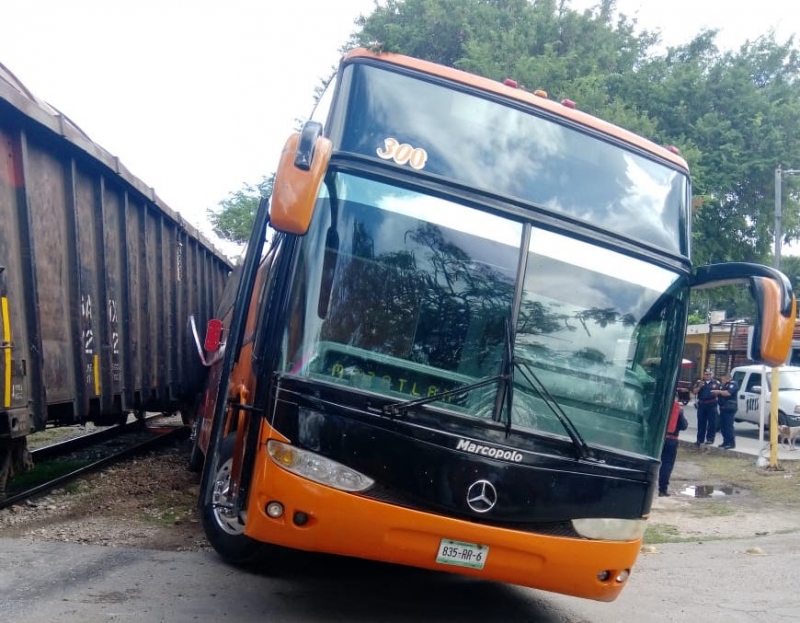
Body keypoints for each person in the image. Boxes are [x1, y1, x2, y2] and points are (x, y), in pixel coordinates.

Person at [659, 399, 688, 496]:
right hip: (671, 440)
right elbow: (684, 426)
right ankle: (662, 490)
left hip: (658, 439)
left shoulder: (660, 406)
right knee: (667, 465)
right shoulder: (677, 409)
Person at [692, 368, 720, 446]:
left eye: (709, 374)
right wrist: (699, 387)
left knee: (712, 423)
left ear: (712, 375)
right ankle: (699, 439)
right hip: (701, 404)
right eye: (706, 374)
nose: (708, 376)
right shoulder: (699, 382)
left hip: (711, 404)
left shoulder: (716, 383)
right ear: (703, 375)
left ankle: (710, 439)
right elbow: (694, 392)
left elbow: (719, 393)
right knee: (701, 422)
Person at [713, 371, 738, 449]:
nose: (722, 381)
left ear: (727, 378)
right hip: (723, 407)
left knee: (728, 425)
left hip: (729, 408)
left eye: (723, 379)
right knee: (723, 426)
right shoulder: (723, 385)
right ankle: (725, 441)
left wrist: (719, 392)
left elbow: (728, 393)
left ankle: (731, 443)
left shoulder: (733, 384)